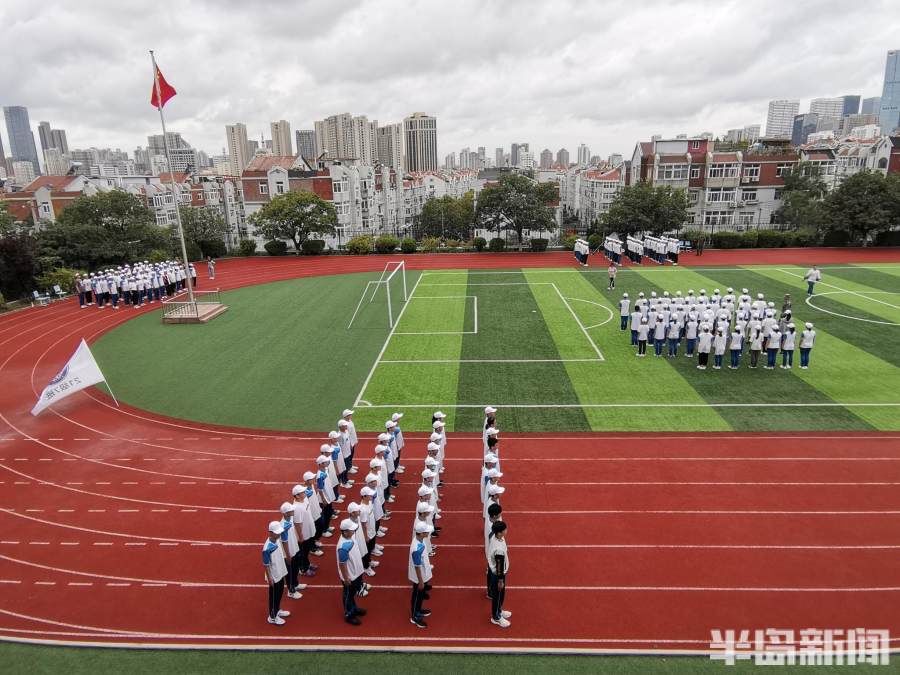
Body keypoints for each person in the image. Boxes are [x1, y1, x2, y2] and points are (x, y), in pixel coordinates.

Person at [336, 518, 366, 625]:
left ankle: (354, 608)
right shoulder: (343, 547)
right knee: (348, 594)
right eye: (351, 530)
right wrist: (346, 577)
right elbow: (342, 563)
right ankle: (349, 614)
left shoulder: (350, 537)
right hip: (350, 575)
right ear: (345, 532)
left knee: (352, 593)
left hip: (356, 572)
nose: (354, 531)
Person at [262, 520, 291, 625]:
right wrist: (270, 578)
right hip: (274, 575)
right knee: (274, 595)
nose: (279, 534)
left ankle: (277, 610)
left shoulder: (276, 540)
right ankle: (272, 616)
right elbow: (266, 564)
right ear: (270, 532)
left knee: (280, 592)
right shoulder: (267, 548)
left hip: (280, 571)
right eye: (277, 532)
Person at [279, 502, 307, 600]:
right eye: (291, 510)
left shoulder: (289, 519)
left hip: (294, 548)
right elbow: (284, 542)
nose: (293, 511)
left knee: (295, 568)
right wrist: (287, 555)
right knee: (290, 572)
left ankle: (295, 584)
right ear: (286, 513)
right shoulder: (283, 527)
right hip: (289, 552)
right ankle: (291, 591)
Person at [409, 519, 434, 628]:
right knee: (417, 595)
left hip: (422, 574)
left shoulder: (419, 540)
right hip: (419, 577)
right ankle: (414, 616)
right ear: (422, 533)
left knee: (419, 595)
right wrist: (420, 581)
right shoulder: (416, 548)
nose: (428, 533)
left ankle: (418, 610)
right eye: (426, 532)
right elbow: (417, 566)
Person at [487, 520, 511, 628]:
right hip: (498, 575)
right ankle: (496, 617)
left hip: (496, 572)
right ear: (499, 533)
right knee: (498, 595)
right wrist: (500, 581)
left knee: (500, 595)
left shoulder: (495, 536)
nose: (507, 530)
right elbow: (500, 566)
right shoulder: (499, 549)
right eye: (504, 529)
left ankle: (499, 610)